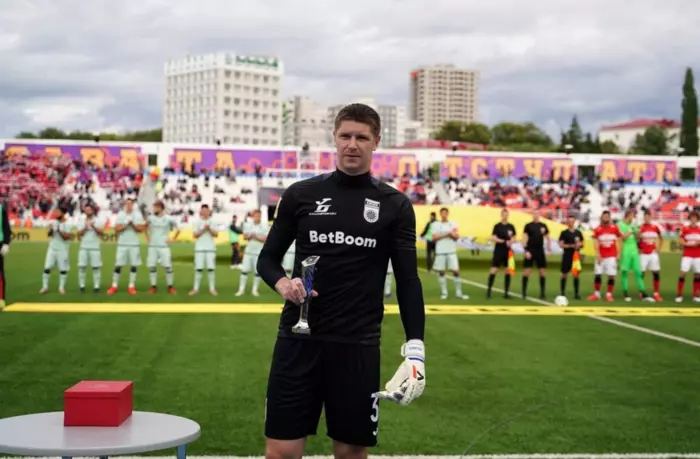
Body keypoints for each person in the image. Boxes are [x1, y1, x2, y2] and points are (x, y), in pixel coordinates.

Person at [256, 103, 426, 459]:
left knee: (350, 453)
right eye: (345, 135)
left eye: (361, 137)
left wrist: (416, 351)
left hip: (357, 345)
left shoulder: (394, 204)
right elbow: (267, 259)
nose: (352, 144)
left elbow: (408, 280)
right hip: (298, 339)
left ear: (376, 141)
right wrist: (284, 285)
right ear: (334, 138)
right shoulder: (300, 194)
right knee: (281, 452)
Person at [107, 198, 146, 295]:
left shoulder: (138, 215)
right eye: (127, 204)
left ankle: (131, 286)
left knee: (134, 265)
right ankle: (114, 286)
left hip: (134, 244)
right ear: (125, 205)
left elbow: (141, 229)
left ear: (133, 205)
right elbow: (117, 228)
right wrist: (125, 224)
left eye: (130, 204)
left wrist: (132, 225)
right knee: (118, 264)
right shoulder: (121, 214)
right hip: (122, 244)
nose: (129, 205)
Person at [431, 207, 468, 300]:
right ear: (440, 214)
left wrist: (452, 235)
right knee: (441, 272)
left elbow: (456, 237)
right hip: (440, 251)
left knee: (456, 271)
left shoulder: (453, 224)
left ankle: (459, 293)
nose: (444, 215)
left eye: (445, 213)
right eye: (442, 213)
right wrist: (447, 234)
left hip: (451, 250)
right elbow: (434, 238)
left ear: (447, 214)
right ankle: (444, 293)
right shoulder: (435, 225)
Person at [145, 200, 180, 294]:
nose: (154, 209)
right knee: (152, 267)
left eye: (156, 207)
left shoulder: (168, 219)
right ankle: (153, 287)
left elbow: (178, 229)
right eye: (154, 207)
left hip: (164, 246)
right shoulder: (150, 218)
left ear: (161, 208)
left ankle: (170, 287)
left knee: (168, 267)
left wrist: (173, 239)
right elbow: (144, 227)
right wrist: (147, 237)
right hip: (153, 246)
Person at [617, 209, 652, 302]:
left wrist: (638, 232)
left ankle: (643, 292)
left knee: (638, 271)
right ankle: (625, 292)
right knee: (624, 272)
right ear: (628, 215)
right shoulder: (620, 224)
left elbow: (638, 236)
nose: (634, 217)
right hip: (625, 250)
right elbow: (622, 237)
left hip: (634, 250)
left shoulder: (633, 224)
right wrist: (631, 229)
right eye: (632, 215)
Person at [587, 210, 622, 302]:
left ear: (610, 218)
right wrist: (598, 255)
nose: (605, 218)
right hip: (601, 256)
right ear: (601, 218)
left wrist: (618, 254)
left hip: (611, 256)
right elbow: (596, 242)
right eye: (604, 217)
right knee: (597, 274)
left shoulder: (615, 228)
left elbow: (619, 240)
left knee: (611, 275)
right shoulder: (598, 229)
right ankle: (596, 294)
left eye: (607, 217)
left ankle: (609, 294)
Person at [40, 206, 73, 295]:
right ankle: (44, 287)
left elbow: (67, 237)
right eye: (55, 212)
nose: (55, 214)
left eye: (58, 212)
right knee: (47, 267)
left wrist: (58, 230)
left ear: (63, 213)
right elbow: (49, 235)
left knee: (63, 269)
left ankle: (61, 288)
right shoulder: (54, 222)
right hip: (52, 248)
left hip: (62, 249)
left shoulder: (68, 223)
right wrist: (51, 230)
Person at [236, 209, 268, 297]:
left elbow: (265, 239)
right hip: (248, 252)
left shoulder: (264, 226)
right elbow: (244, 237)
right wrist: (250, 236)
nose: (257, 217)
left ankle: (255, 290)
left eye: (259, 216)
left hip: (258, 252)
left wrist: (256, 237)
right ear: (253, 216)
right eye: (256, 216)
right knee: (244, 271)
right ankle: (241, 290)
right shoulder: (248, 225)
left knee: (257, 272)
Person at [521, 210, 551, 300]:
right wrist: (526, 251)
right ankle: (524, 293)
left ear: (539, 215)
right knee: (527, 271)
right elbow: (524, 239)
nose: (536, 215)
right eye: (534, 214)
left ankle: (542, 293)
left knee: (542, 272)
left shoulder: (543, 226)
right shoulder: (528, 226)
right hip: (530, 250)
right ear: (532, 215)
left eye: (537, 214)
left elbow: (548, 238)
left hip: (540, 250)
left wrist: (548, 249)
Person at [190, 204, 218, 296]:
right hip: (199, 248)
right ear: (201, 211)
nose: (205, 212)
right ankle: (195, 289)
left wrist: (209, 229)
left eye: (206, 211)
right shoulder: (197, 222)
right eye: (203, 211)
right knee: (198, 269)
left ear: (209, 211)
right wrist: (203, 230)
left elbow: (216, 235)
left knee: (211, 269)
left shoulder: (213, 222)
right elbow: (195, 235)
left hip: (210, 248)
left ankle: (212, 289)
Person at [487, 208, 516, 299]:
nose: (505, 216)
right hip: (499, 250)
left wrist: (511, 241)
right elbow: (493, 238)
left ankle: (506, 293)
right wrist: (504, 241)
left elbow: (514, 238)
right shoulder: (497, 226)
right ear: (501, 215)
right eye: (503, 215)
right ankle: (489, 291)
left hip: (508, 251)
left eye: (506, 215)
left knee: (508, 271)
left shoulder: (511, 226)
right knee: (494, 270)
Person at [76, 202, 105, 292]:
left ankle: (96, 286)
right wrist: (85, 228)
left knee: (96, 267)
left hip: (95, 247)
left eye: (89, 210)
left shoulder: (99, 220)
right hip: (83, 247)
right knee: (82, 267)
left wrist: (93, 226)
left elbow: (102, 233)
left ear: (93, 211)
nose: (88, 211)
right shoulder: (81, 220)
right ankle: (82, 286)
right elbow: (78, 234)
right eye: (86, 210)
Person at [638, 211, 663, 301]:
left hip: (653, 253)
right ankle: (641, 292)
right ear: (643, 218)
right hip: (643, 254)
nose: (647, 219)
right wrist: (638, 249)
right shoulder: (640, 227)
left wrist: (659, 248)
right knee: (641, 273)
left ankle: (656, 293)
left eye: (648, 217)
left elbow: (661, 238)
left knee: (656, 273)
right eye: (645, 218)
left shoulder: (655, 227)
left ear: (650, 218)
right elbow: (636, 240)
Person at [676, 210, 700, 303]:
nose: (693, 219)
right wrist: (690, 244)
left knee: (697, 275)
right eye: (692, 217)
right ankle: (679, 295)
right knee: (683, 273)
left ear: (697, 219)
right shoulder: (685, 229)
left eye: (695, 218)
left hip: (698, 255)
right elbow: (681, 240)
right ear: (690, 218)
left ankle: (695, 296)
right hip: (687, 255)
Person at [558, 215, 584, 299]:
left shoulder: (578, 233)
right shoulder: (564, 233)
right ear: (567, 222)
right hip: (567, 255)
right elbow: (561, 244)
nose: (571, 223)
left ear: (574, 222)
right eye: (569, 221)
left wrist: (579, 245)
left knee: (576, 274)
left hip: (576, 256)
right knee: (564, 274)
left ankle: (576, 293)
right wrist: (570, 246)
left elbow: (582, 243)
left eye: (572, 221)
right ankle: (562, 292)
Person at [0, 201, 10, 308]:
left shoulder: (1, 209)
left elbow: (6, 226)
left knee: (0, 272)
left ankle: (1, 298)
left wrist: (6, 243)